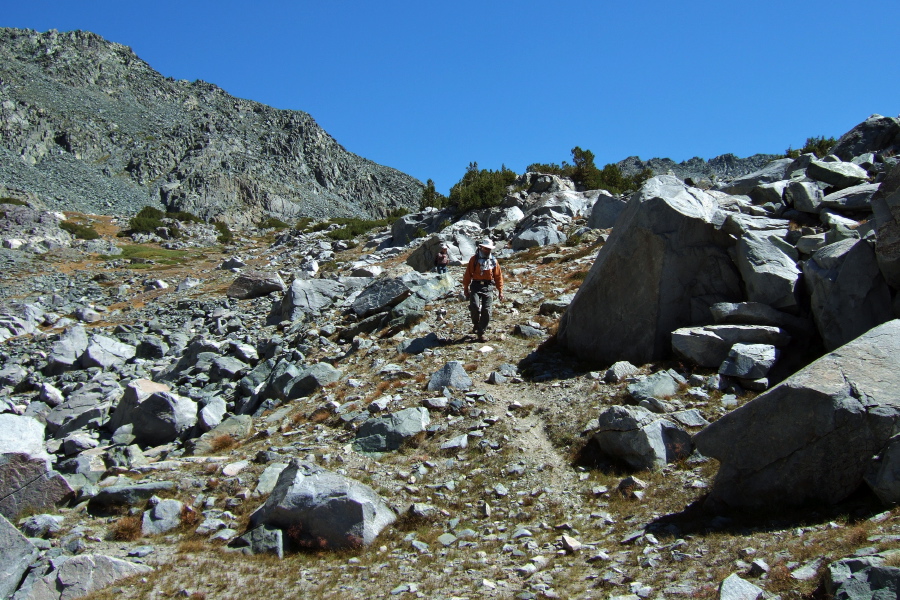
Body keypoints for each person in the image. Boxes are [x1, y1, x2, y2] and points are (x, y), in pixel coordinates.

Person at [463, 239, 504, 341]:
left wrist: (500, 291)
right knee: (475, 307)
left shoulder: (493, 261)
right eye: (486, 248)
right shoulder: (474, 259)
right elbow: (468, 274)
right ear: (481, 248)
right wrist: (466, 288)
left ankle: (481, 332)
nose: (487, 250)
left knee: (487, 310)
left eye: (489, 249)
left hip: (488, 286)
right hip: (476, 285)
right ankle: (476, 324)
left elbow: (498, 276)